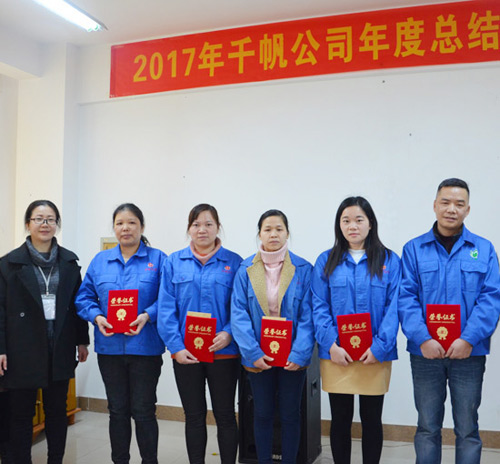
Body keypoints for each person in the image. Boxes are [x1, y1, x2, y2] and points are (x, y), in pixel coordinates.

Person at [398, 178, 500, 464]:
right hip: (425, 354)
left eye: (459, 204)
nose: (451, 209)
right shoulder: (414, 249)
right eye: (445, 202)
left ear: (468, 209)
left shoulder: (483, 249)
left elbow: (491, 299)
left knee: (467, 428)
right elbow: (405, 298)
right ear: (435, 205)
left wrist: (468, 339)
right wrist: (423, 338)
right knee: (427, 426)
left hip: (468, 353)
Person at [311, 196, 400, 464]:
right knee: (340, 418)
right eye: (346, 220)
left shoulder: (389, 260)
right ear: (339, 225)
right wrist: (331, 345)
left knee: (372, 418)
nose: (352, 226)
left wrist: (380, 347)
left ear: (370, 223)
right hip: (337, 354)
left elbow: (395, 307)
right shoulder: (326, 260)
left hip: (375, 353)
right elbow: (318, 305)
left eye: (359, 220)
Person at [75, 203, 166, 464]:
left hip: (146, 348)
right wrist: (97, 316)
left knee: (144, 410)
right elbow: (84, 298)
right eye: (120, 223)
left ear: (142, 226)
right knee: (117, 410)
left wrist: (148, 315)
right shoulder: (100, 261)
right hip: (110, 349)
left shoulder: (159, 259)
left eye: (132, 222)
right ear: (114, 228)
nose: (126, 228)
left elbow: (168, 298)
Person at [0, 199, 89, 464]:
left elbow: (77, 305)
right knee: (21, 414)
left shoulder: (69, 262)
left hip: (59, 346)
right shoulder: (8, 264)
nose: (45, 224)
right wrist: (0, 348)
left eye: (50, 219)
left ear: (57, 224)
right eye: (38, 219)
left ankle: (55, 460)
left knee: (57, 412)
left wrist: (82, 340)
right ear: (28, 224)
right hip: (22, 349)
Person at [158, 204, 242, 464]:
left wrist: (228, 333)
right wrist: (176, 347)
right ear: (189, 229)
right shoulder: (174, 262)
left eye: (208, 224)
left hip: (224, 353)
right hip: (186, 353)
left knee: (225, 415)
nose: (202, 229)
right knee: (193, 416)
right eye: (196, 224)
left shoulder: (234, 262)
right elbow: (166, 308)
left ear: (218, 227)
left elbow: (241, 307)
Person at [231, 209, 314, 464]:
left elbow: (309, 315)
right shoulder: (246, 269)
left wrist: (299, 353)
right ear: (259, 234)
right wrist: (253, 352)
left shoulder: (303, 269)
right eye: (267, 229)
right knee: (262, 413)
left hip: (292, 357)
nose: (273, 234)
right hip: (259, 356)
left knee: (290, 414)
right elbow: (238, 313)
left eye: (279, 229)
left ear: (287, 233)